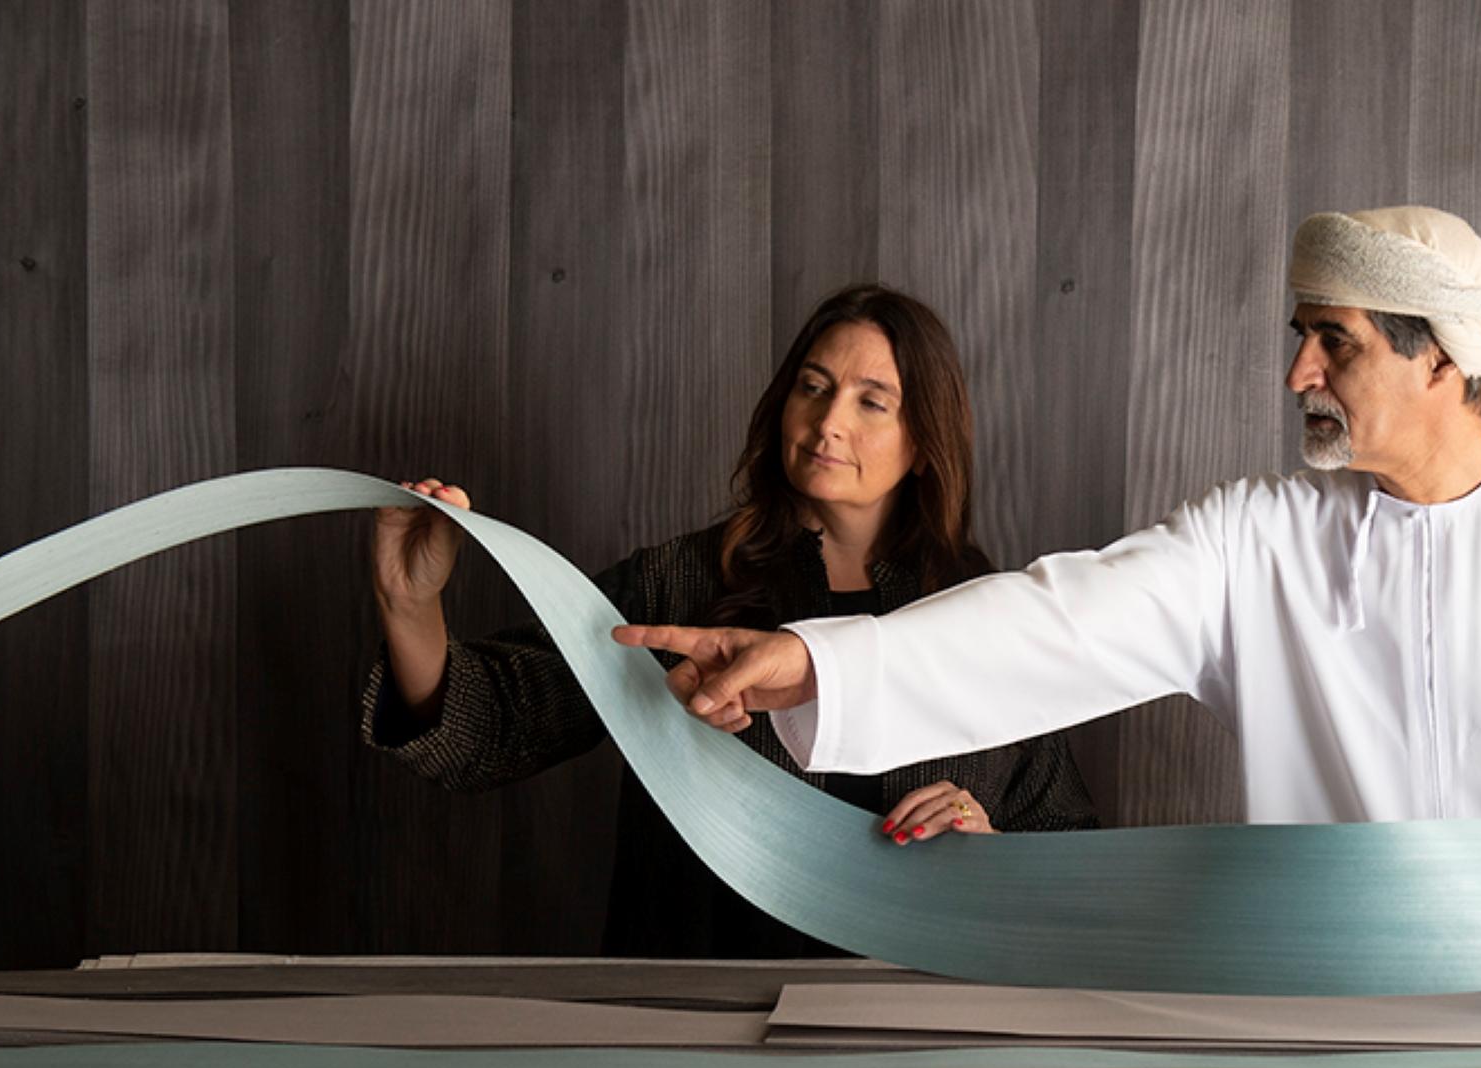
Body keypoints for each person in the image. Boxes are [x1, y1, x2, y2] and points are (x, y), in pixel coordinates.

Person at [620, 209, 1481, 988]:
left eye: (1336, 342)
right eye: (1299, 336)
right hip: (1334, 1025)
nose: (1297, 373)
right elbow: (1056, 619)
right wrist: (811, 662)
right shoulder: (1256, 540)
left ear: (1441, 358)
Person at [362, 284, 1097, 958]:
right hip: (697, 1014)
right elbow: (488, 729)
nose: (827, 422)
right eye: (813, 387)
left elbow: (1068, 850)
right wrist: (409, 603)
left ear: (924, 445)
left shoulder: (985, 614)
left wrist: (987, 843)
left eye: (872, 402)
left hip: (915, 1025)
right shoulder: (678, 582)